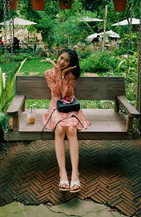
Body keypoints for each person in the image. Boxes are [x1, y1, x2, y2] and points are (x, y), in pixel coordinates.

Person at [42, 49, 90, 193]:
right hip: (56, 106)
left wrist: (64, 75)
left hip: (70, 105)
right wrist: (58, 73)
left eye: (66, 60)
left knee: (71, 129)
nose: (62, 62)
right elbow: (56, 94)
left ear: (71, 63)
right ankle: (62, 173)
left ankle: (75, 173)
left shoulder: (72, 75)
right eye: (61, 58)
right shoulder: (48, 73)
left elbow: (67, 94)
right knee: (59, 128)